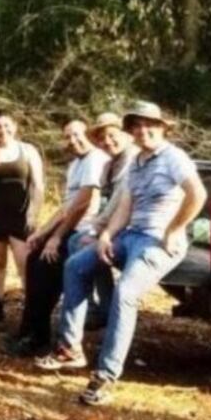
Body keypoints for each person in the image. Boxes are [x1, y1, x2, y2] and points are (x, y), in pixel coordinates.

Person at [36, 101, 207, 407]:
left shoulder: (173, 157)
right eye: (137, 126)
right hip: (130, 235)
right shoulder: (137, 163)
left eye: (149, 125)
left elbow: (198, 194)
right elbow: (126, 206)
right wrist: (105, 235)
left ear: (162, 127)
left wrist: (175, 228)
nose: (143, 131)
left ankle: (105, 375)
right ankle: (70, 347)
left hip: (158, 240)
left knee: (126, 292)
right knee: (76, 265)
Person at [3, 119, 109, 356]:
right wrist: (41, 233)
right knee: (33, 259)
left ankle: (38, 338)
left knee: (46, 265)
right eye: (68, 136)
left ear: (88, 135)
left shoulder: (95, 160)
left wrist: (56, 237)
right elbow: (65, 207)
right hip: (69, 226)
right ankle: (28, 330)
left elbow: (83, 203)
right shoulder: (75, 165)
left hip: (85, 231)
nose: (73, 140)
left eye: (77, 134)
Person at [0, 110, 44, 331]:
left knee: (25, 265)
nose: (2, 131)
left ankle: (30, 313)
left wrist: (33, 213)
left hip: (21, 218)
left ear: (15, 126)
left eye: (6, 125)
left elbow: (38, 185)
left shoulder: (28, 151)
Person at [71, 113, 139, 329]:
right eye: (101, 139)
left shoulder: (133, 160)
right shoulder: (109, 164)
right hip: (113, 223)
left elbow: (119, 203)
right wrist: (93, 228)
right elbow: (103, 202)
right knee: (77, 241)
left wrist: (96, 231)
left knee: (85, 245)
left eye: (112, 135)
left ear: (126, 134)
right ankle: (96, 306)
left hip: (131, 225)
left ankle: (104, 311)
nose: (107, 142)